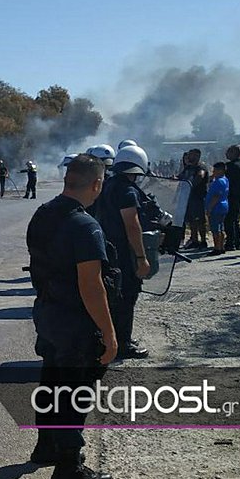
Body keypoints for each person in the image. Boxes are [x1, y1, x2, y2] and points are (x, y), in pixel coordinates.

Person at [26, 154, 117, 479]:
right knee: (74, 392)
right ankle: (68, 465)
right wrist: (109, 335)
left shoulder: (43, 214)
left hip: (48, 313)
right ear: (95, 184)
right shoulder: (85, 226)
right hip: (75, 320)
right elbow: (91, 286)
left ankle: (46, 445)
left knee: (51, 380)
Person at [92, 143, 150, 359]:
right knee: (127, 297)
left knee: (114, 296)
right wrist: (141, 257)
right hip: (123, 252)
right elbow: (132, 225)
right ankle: (123, 344)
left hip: (108, 248)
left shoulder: (108, 184)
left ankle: (114, 337)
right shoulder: (127, 191)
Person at [182, 149, 209, 250]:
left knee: (200, 220)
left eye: (191, 155)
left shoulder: (201, 167)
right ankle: (194, 240)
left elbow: (201, 175)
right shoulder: (188, 167)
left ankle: (203, 241)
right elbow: (180, 176)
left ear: (197, 156)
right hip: (188, 197)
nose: (189, 157)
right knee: (191, 221)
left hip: (198, 197)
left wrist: (191, 184)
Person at [223, 146, 240, 251]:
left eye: (228, 152)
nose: (226, 154)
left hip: (230, 196)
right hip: (238, 195)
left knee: (228, 220)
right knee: (234, 220)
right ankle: (237, 242)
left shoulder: (230, 166)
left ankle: (230, 242)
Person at [205, 162, 230, 256]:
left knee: (216, 229)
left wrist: (209, 208)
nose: (213, 172)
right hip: (223, 205)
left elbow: (216, 196)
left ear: (221, 170)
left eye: (215, 170)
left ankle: (217, 248)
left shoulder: (219, 181)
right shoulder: (225, 180)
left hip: (217, 207)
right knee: (221, 227)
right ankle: (221, 246)